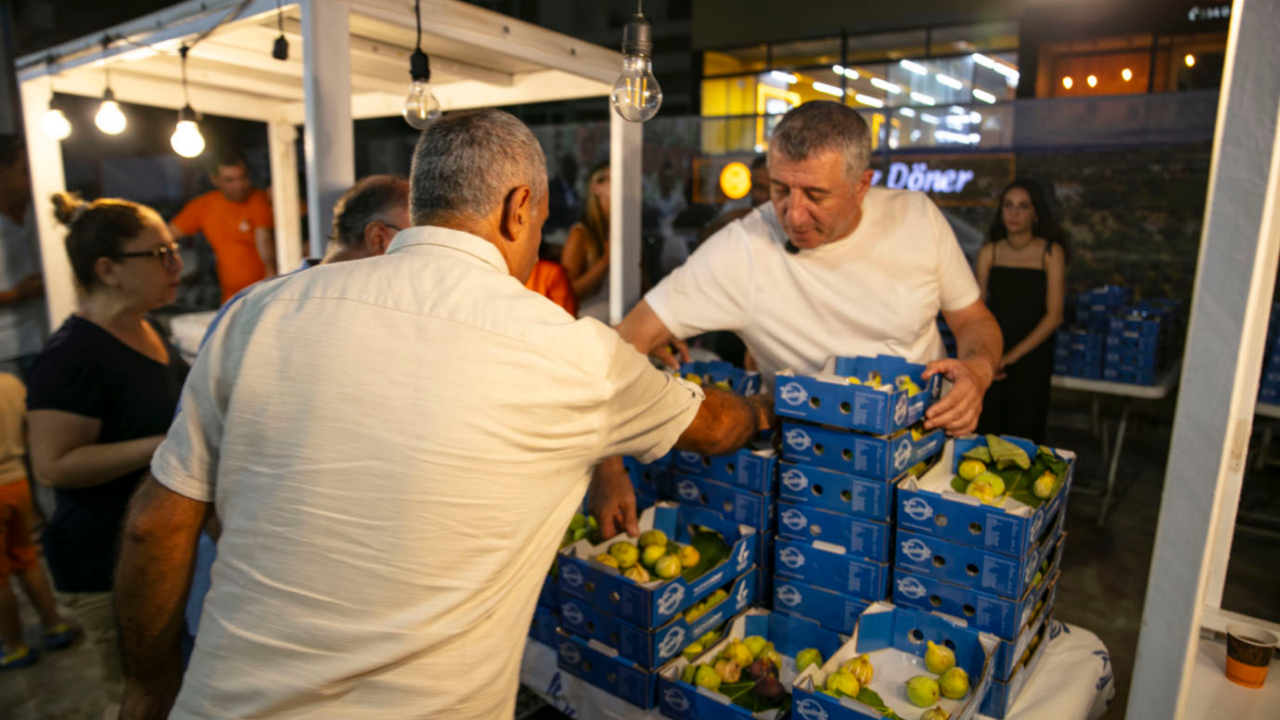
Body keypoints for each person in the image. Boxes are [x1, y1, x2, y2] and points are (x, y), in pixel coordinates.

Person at [113, 108, 771, 720]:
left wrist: (147, 684)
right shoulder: (570, 351)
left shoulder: (260, 311)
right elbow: (715, 427)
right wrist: (759, 407)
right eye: (540, 223)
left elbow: (156, 525)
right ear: (519, 209)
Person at [592, 100, 1002, 527]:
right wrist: (608, 466)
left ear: (862, 185)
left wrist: (978, 370)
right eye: (780, 189)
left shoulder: (916, 218)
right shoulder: (740, 251)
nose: (793, 213)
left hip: (927, 461)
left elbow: (973, 321)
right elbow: (619, 345)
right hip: (814, 486)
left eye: (816, 195)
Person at [179, 174, 411, 656]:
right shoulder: (261, 313)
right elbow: (201, 471)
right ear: (380, 238)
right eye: (420, 239)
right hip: (249, 603)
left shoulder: (389, 319)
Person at [25, 193, 189, 700]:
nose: (177, 264)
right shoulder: (72, 354)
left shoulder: (149, 328)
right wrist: (170, 444)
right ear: (108, 270)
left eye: (174, 248)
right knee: (135, 698)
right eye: (158, 254)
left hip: (155, 548)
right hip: (103, 561)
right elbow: (54, 466)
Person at [975, 179, 1067, 443]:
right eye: (1008, 206)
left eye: (1023, 206)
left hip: (1032, 359)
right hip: (994, 356)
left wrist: (1011, 357)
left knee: (1024, 436)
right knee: (987, 434)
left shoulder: (1050, 253)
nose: (1014, 213)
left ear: (1036, 213)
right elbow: (977, 310)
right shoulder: (989, 253)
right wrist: (988, 356)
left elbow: (1055, 316)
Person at [0, 373, 74, 670]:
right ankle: (54, 625)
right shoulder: (10, 384)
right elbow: (31, 432)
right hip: (17, 481)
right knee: (26, 557)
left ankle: (14, 646)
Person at [169, 147, 276, 302]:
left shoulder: (261, 200)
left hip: (268, 294)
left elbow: (263, 239)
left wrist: (271, 274)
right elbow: (166, 235)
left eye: (243, 177)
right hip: (232, 299)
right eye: (230, 180)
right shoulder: (203, 206)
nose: (239, 185)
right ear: (214, 179)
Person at [0, 137, 48, 379]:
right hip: (6, 349)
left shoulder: (39, 212)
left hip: (44, 336)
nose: (34, 178)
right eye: (26, 171)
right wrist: (16, 295)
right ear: (2, 173)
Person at [561, 161, 612, 321]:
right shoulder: (580, 234)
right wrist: (605, 261)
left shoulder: (628, 231)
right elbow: (566, 292)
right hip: (589, 330)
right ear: (596, 187)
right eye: (615, 179)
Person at [545, 154, 580, 235]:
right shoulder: (551, 188)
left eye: (575, 169)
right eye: (571, 168)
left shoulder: (574, 192)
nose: (574, 172)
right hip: (553, 234)